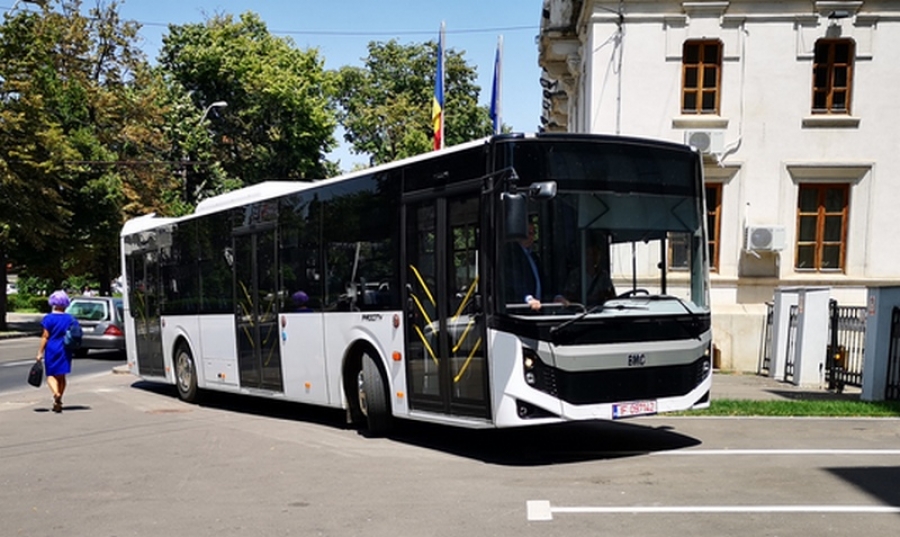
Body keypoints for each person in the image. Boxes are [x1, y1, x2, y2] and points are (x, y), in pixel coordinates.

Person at [36, 290, 76, 413]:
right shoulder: (70, 318)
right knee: (61, 375)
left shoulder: (49, 318)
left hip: (52, 348)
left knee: (51, 375)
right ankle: (59, 400)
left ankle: (56, 393)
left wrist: (40, 352)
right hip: (65, 348)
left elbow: (45, 336)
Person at [504, 223, 545, 311]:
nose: (531, 237)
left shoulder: (534, 256)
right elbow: (513, 279)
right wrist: (528, 298)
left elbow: (542, 280)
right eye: (528, 233)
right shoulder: (511, 254)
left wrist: (556, 296)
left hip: (536, 307)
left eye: (533, 233)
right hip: (520, 309)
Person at [562, 241, 616, 306]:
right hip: (581, 311)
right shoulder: (576, 275)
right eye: (590, 254)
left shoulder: (603, 275)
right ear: (584, 256)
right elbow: (568, 295)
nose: (593, 257)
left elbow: (612, 296)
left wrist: (601, 295)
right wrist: (584, 298)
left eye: (596, 254)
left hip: (601, 311)